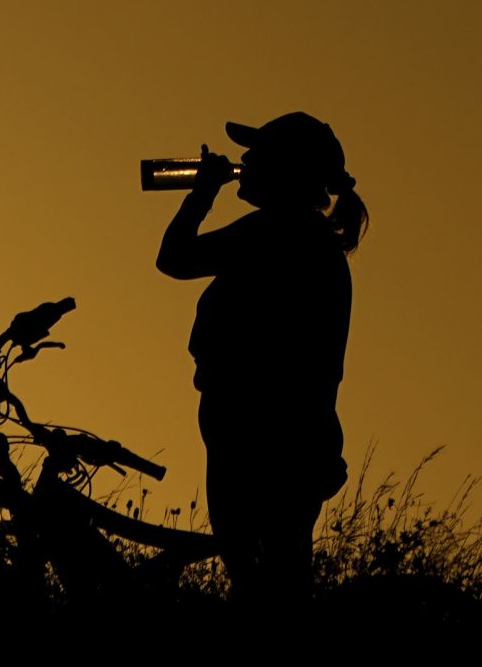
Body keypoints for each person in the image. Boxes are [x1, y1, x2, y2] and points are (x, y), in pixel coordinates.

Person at [155, 112, 368, 615]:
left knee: (262, 581)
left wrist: (201, 194)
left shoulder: (277, 231)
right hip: (285, 430)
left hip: (259, 429)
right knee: (274, 577)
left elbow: (175, 257)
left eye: (258, 155)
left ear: (286, 169)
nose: (244, 163)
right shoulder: (302, 236)